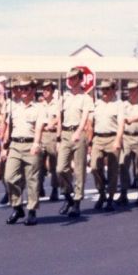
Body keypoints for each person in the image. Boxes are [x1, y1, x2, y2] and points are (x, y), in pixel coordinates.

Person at [3, 77, 45, 225]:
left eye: (26, 88)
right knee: (9, 177)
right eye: (20, 88)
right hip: (15, 145)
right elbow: (9, 128)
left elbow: (39, 127)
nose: (23, 92)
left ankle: (32, 211)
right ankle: (17, 206)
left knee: (32, 180)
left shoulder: (39, 108)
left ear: (33, 90)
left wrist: (36, 143)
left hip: (30, 145)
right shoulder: (14, 107)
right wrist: (4, 147)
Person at [56, 67, 94, 218]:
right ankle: (68, 196)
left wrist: (79, 132)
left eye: (73, 78)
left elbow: (85, 117)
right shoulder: (63, 97)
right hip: (65, 133)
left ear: (79, 79)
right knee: (60, 169)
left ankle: (77, 202)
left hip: (79, 133)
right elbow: (59, 118)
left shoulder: (86, 98)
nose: (70, 81)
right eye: (68, 79)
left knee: (79, 170)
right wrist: (58, 138)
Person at [89, 79, 124, 211]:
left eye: (107, 89)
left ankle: (110, 198)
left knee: (113, 171)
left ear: (114, 90)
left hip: (112, 137)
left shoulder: (119, 104)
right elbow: (91, 124)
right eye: (102, 89)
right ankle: (102, 192)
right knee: (94, 167)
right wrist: (89, 142)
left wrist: (118, 140)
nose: (104, 92)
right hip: (98, 138)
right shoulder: (97, 104)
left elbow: (121, 124)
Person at [119, 80, 138, 207]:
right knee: (123, 165)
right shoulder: (124, 105)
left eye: (133, 90)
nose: (131, 92)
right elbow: (121, 120)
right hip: (126, 137)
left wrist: (131, 119)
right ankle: (124, 193)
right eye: (129, 90)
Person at [37, 80, 61, 202]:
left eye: (47, 89)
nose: (45, 92)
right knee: (39, 163)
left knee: (54, 164)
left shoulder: (57, 104)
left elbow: (60, 117)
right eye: (44, 89)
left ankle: (55, 189)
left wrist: (54, 124)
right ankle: (40, 186)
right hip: (42, 135)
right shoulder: (39, 105)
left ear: (52, 91)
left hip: (52, 135)